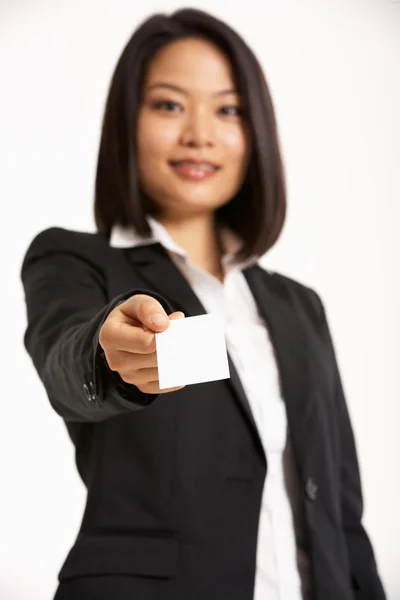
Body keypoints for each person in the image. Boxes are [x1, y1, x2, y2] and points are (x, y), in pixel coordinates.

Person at [20, 7, 386, 600]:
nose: (200, 134)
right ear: (126, 121)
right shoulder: (75, 260)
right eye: (168, 104)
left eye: (228, 109)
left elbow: (342, 511)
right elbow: (68, 355)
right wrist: (109, 356)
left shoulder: (300, 307)